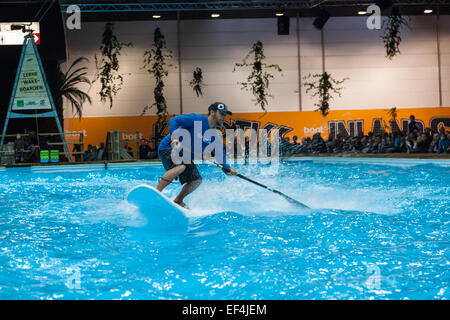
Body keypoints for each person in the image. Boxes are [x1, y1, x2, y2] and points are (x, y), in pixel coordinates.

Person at [156, 102, 238, 208]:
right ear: (212, 112)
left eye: (225, 115)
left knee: (197, 180)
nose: (223, 117)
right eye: (221, 114)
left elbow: (220, 158)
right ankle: (157, 193)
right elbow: (174, 120)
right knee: (181, 166)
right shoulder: (197, 119)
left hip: (184, 156)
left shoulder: (214, 136)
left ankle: (178, 201)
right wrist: (175, 138)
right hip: (168, 148)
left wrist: (228, 169)